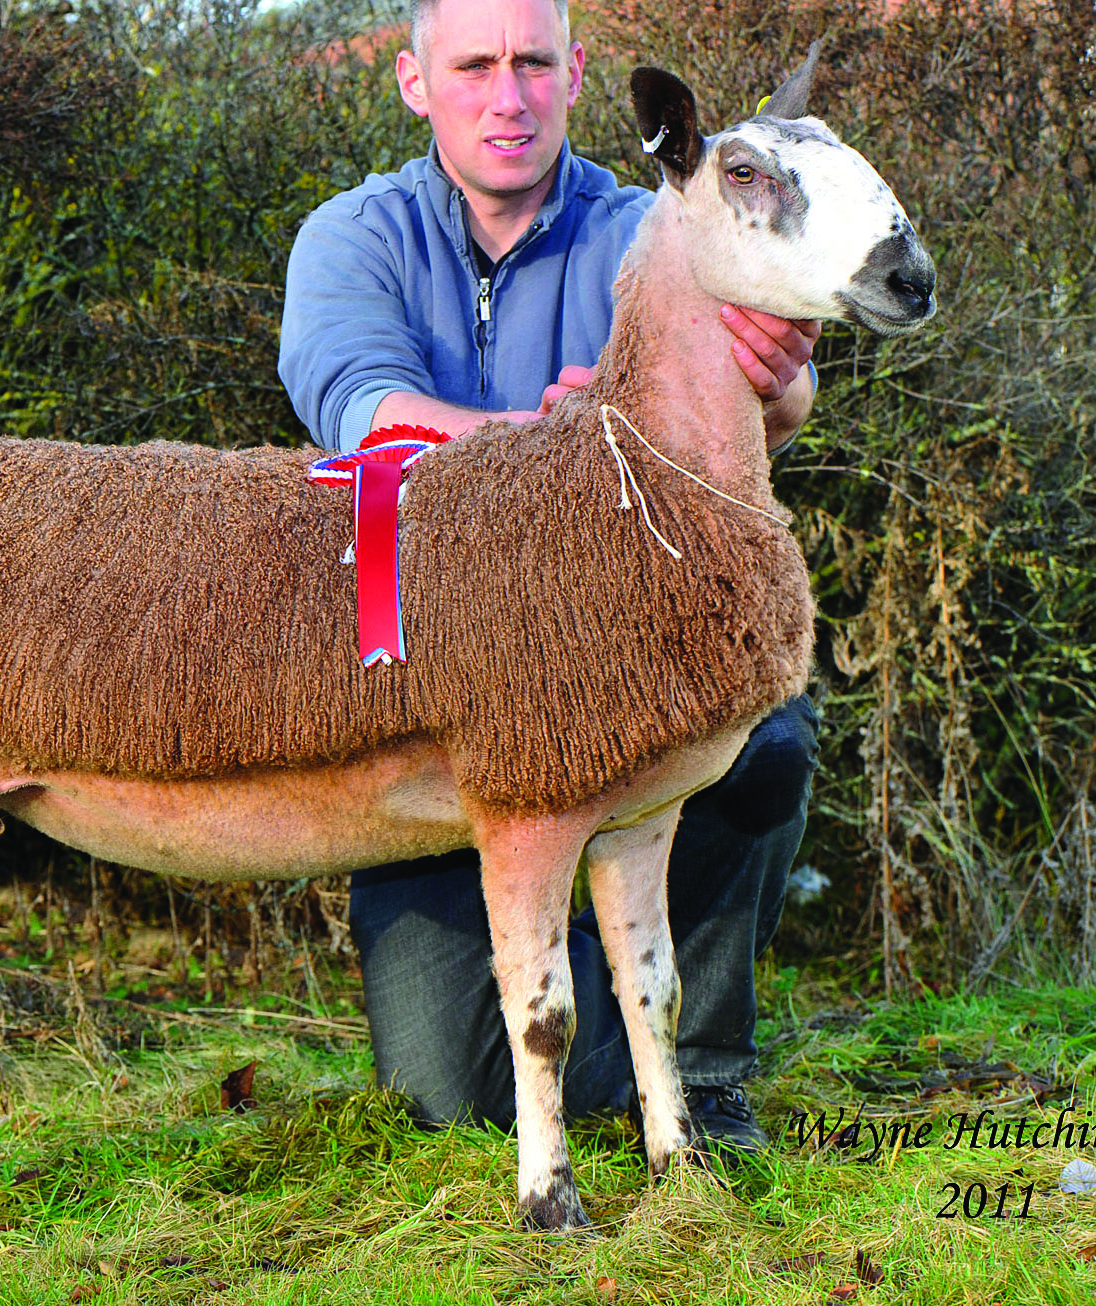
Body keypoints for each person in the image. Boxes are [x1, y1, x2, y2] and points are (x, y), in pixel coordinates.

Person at [277, 0, 820, 1150]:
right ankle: (601, 1002)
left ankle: (706, 1071)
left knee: (766, 739)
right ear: (417, 82)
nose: (507, 95)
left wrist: (775, 376)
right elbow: (361, 410)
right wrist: (552, 444)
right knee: (446, 1091)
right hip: (427, 715)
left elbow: (779, 406)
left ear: (575, 74)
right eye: (474, 65)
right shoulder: (350, 237)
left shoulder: (654, 226)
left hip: (626, 687)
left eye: (532, 62)